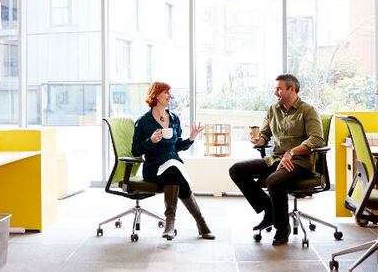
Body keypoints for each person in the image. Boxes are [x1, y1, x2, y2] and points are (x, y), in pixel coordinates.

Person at [228, 74, 325, 246]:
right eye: (276, 88)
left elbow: (317, 139)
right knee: (236, 170)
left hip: (299, 162)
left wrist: (292, 152)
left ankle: (282, 228)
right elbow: (265, 134)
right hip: (275, 159)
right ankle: (269, 210)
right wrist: (260, 140)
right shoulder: (273, 109)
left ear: (292, 89)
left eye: (279, 88)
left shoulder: (308, 110)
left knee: (274, 181)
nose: (276, 92)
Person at [132, 81, 215, 241]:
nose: (170, 96)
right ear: (155, 95)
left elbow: (177, 146)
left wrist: (192, 137)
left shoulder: (174, 118)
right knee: (176, 174)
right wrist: (151, 141)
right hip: (153, 168)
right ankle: (200, 223)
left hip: (172, 164)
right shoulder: (143, 122)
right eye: (166, 93)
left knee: (174, 171)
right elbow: (135, 150)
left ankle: (170, 223)